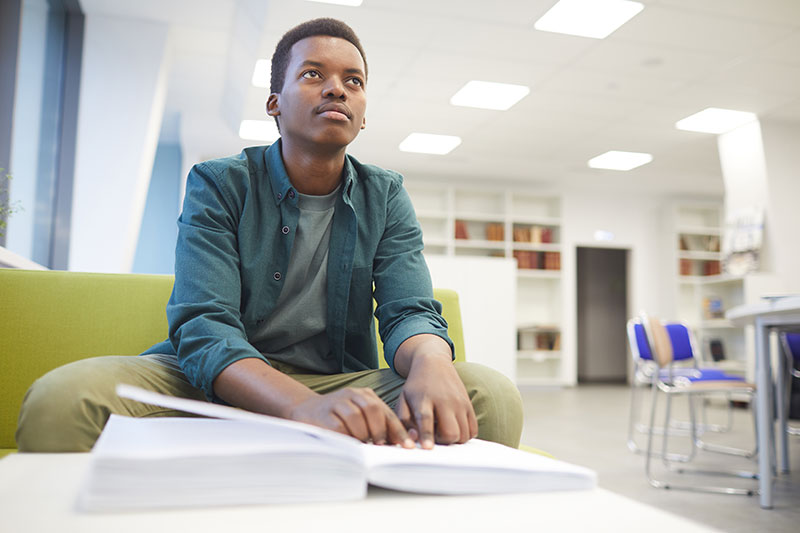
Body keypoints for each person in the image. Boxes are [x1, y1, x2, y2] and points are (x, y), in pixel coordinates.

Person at [16, 18, 523, 452]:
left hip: (336, 382)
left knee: (488, 394)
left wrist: (432, 361)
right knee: (63, 399)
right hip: (221, 380)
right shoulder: (220, 182)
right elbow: (203, 327)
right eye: (312, 74)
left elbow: (407, 309)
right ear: (274, 103)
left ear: (363, 115)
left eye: (354, 80)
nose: (336, 89)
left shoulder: (385, 195)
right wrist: (303, 407)